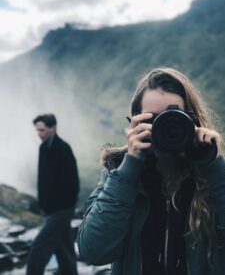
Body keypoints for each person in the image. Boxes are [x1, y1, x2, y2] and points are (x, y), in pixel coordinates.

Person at [77, 68, 225, 275]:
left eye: (173, 117)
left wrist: (215, 168)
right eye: (153, 119)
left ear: (194, 121)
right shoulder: (118, 174)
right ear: (135, 123)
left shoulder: (213, 175)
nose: (165, 127)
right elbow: (94, 252)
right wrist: (129, 168)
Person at [27, 113, 80, 275]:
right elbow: (42, 178)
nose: (39, 134)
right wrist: (43, 205)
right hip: (50, 210)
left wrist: (64, 207)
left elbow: (73, 182)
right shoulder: (43, 148)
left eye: (42, 130)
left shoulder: (64, 149)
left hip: (62, 209)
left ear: (53, 128)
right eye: (37, 130)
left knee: (39, 247)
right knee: (63, 247)